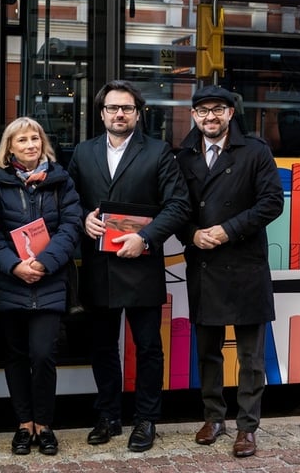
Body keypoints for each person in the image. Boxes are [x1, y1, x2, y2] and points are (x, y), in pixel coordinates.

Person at [66, 80, 190, 452]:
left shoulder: (158, 152)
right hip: (98, 267)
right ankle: (108, 416)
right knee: (103, 347)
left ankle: (146, 420)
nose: (119, 114)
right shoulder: (83, 152)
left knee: (148, 347)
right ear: (101, 113)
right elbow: (68, 201)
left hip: (140, 265)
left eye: (127, 108)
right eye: (112, 108)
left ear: (138, 113)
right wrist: (83, 219)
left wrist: (147, 238)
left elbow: (178, 205)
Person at [174, 85, 283, 459]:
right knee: (208, 351)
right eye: (202, 111)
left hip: (245, 264)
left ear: (230, 113)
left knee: (251, 358)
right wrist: (191, 233)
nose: (210, 117)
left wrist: (227, 229)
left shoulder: (255, 151)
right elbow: (176, 208)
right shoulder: (183, 156)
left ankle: (247, 427)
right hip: (203, 263)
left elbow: (271, 203)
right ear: (194, 116)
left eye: (217, 110)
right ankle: (213, 417)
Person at [0, 117, 83, 457]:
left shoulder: (61, 181)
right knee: (14, 356)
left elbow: (71, 227)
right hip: (11, 282)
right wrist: (15, 266)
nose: (30, 145)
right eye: (22, 140)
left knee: (43, 356)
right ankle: (23, 424)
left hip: (50, 281)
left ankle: (45, 424)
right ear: (9, 147)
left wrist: (43, 263)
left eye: (35, 139)